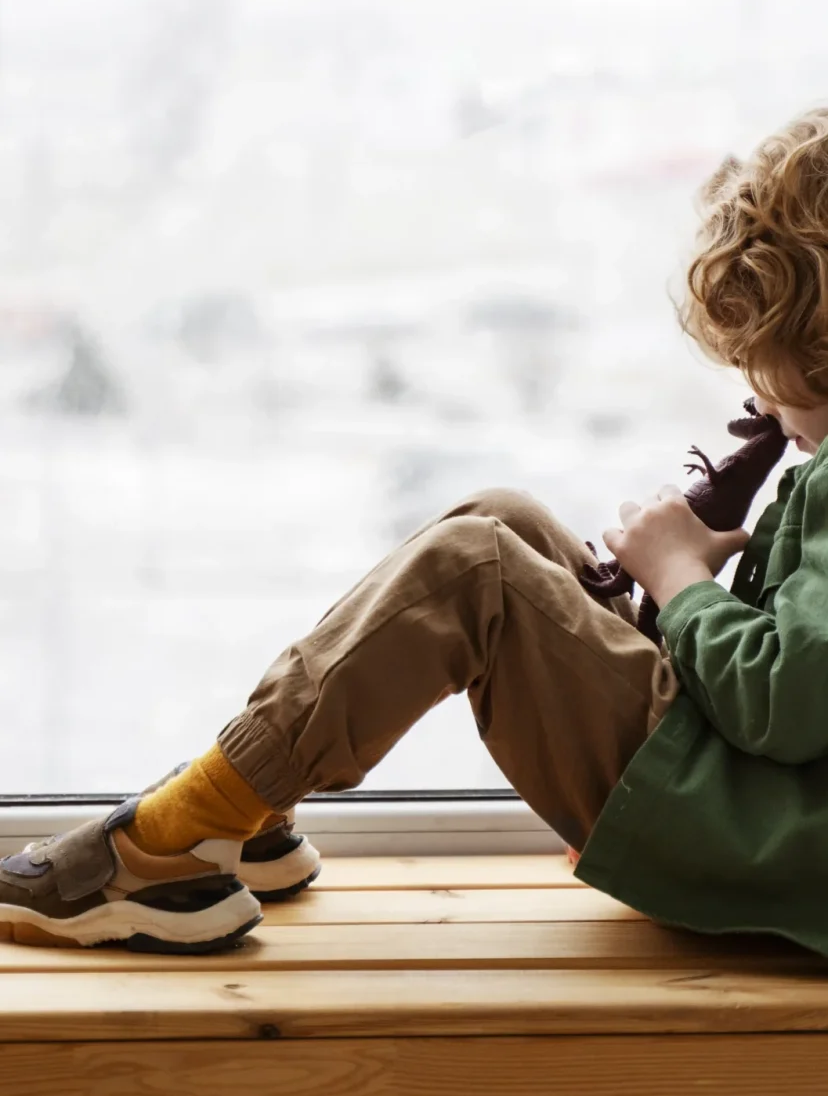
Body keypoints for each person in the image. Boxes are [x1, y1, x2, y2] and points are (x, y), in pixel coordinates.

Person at [4, 107, 828, 955]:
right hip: (753, 818)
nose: (757, 398)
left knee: (475, 572)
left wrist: (680, 581)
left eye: (763, 358)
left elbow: (784, 702)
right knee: (504, 518)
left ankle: (174, 840)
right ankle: (243, 811)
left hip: (752, 844)